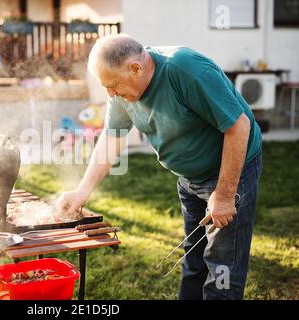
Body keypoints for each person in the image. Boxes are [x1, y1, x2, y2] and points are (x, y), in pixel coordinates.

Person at [56, 35, 263, 300]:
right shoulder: (121, 91)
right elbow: (111, 139)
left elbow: (239, 126)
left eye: (113, 85)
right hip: (189, 178)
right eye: (105, 87)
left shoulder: (186, 69)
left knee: (222, 265)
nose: (111, 93)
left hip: (230, 170)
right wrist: (81, 191)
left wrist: (223, 195)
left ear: (135, 67)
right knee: (194, 258)